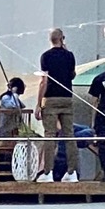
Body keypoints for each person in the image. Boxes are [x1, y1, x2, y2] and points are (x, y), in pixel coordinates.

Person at [38, 28, 79, 179]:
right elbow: (72, 75)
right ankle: (72, 172)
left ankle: (48, 172)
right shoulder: (70, 56)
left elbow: (44, 81)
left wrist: (39, 103)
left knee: (50, 135)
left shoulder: (45, 56)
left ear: (50, 40)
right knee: (69, 135)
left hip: (51, 98)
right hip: (67, 97)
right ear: (62, 38)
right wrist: (65, 48)